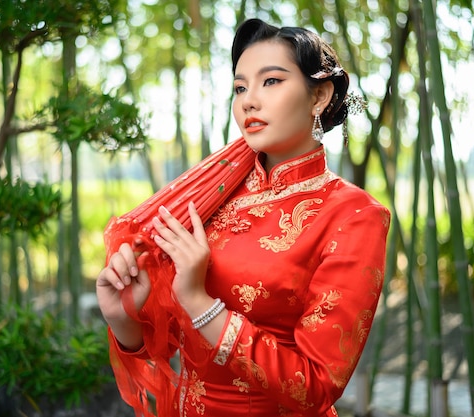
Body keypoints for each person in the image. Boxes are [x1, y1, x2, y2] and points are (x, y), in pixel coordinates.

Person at [97, 18, 390, 417]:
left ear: (319, 95)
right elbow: (164, 345)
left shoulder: (353, 215)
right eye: (239, 87)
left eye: (270, 81)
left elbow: (316, 386)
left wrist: (201, 302)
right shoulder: (211, 195)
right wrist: (123, 316)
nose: (249, 100)